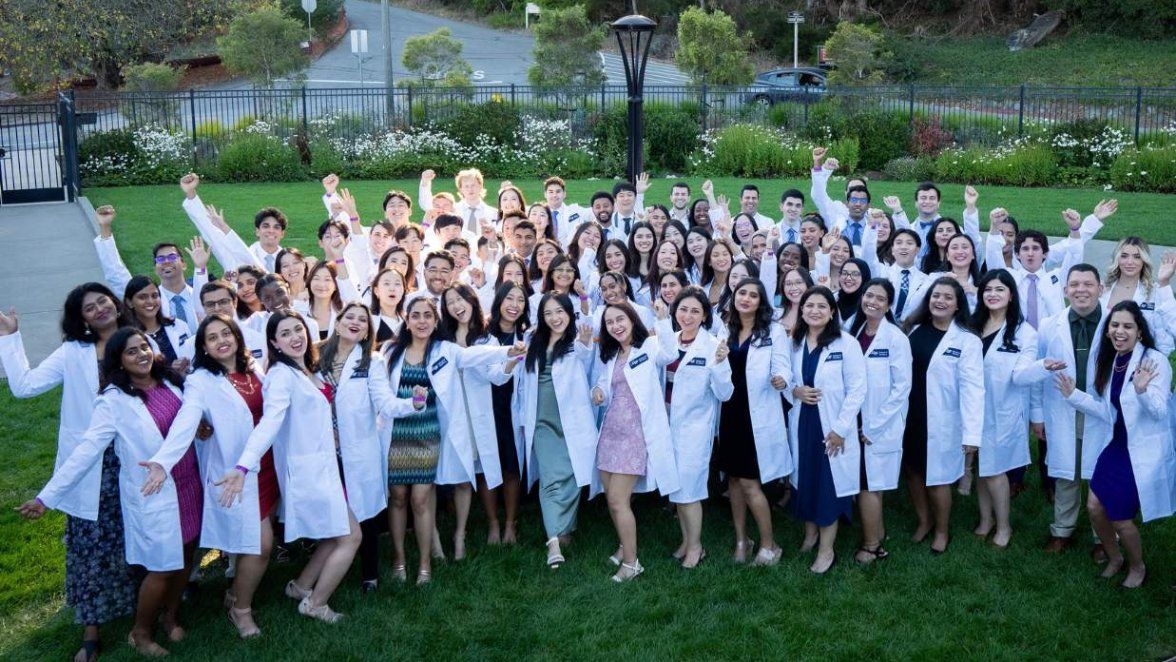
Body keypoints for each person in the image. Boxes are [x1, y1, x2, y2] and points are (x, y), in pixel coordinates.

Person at [19, 328, 198, 656]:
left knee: (186, 556)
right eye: (131, 352)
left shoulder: (170, 381)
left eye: (144, 347)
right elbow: (87, 450)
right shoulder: (113, 400)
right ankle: (141, 633)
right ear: (118, 360)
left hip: (187, 484)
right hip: (152, 492)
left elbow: (190, 420)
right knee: (161, 567)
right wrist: (47, 497)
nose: (142, 354)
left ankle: (170, 617)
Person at [0, 284, 135, 661]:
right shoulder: (74, 353)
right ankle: (91, 631)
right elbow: (25, 387)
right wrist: (10, 338)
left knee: (134, 536)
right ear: (81, 318)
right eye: (89, 308)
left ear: (114, 303)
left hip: (135, 460)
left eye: (103, 301)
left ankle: (143, 610)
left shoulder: (137, 340)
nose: (99, 309)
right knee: (90, 547)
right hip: (91, 466)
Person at [217, 311, 361, 623]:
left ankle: (301, 587)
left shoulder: (306, 368)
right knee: (350, 536)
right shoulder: (281, 375)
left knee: (335, 533)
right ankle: (316, 603)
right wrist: (243, 466)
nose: (295, 337)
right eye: (285, 334)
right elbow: (270, 422)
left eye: (298, 330)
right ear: (273, 342)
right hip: (307, 472)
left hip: (323, 466)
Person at [142, 314, 274, 638]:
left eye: (225, 333)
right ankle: (240, 609)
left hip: (266, 464)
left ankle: (235, 593)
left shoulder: (250, 367)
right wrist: (164, 461)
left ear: (237, 336)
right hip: (235, 471)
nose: (221, 341)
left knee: (252, 541)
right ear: (204, 346)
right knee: (261, 544)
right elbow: (187, 420)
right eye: (212, 338)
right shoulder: (201, 380)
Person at [384, 298, 522, 581]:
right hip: (395, 433)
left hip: (429, 433)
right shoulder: (390, 353)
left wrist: (509, 350)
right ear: (407, 321)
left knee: (420, 498)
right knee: (398, 497)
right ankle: (399, 559)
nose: (422, 321)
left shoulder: (445, 350)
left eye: (427, 316)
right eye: (416, 316)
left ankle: (425, 564)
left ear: (436, 322)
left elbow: (478, 355)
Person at [1055, 301, 1175, 589]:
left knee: (1120, 518)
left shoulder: (1153, 361)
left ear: (1140, 332)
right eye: (1115, 325)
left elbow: (1159, 411)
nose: (1120, 331)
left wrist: (1142, 390)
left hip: (1142, 450)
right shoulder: (1113, 359)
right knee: (1095, 507)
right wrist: (1074, 395)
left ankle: (1137, 566)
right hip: (1117, 446)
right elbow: (1109, 411)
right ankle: (1114, 557)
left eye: (1127, 326)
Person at [318, 303, 417, 592]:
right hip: (324, 448)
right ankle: (328, 568)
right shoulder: (316, 357)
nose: (356, 322)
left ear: (366, 332)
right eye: (350, 317)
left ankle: (369, 574)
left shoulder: (371, 361)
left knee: (366, 512)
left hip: (359, 449)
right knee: (333, 510)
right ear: (337, 323)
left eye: (362, 320)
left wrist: (413, 403)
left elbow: (385, 403)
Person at [591, 303, 680, 582]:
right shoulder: (611, 355)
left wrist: (664, 319)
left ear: (632, 320)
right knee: (612, 498)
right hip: (610, 433)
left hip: (635, 434)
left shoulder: (649, 346)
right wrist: (596, 391)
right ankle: (623, 545)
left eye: (621, 319)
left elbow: (671, 353)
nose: (616, 326)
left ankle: (631, 564)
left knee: (618, 501)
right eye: (610, 323)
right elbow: (603, 386)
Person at [1028, 264, 1109, 555]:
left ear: (1101, 289)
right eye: (1074, 285)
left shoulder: (1115, 322)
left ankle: (1103, 538)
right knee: (1067, 473)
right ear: (1065, 291)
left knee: (1102, 475)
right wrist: (1037, 414)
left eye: (1088, 284)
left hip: (1103, 412)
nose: (1081, 290)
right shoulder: (1051, 325)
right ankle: (1062, 530)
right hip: (1063, 411)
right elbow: (1039, 371)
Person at [650, 286, 733, 569]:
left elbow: (725, 393)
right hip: (666, 424)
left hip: (694, 430)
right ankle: (686, 541)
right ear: (675, 312)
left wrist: (721, 364)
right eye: (683, 309)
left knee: (689, 492)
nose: (688, 315)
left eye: (695, 311)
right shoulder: (667, 340)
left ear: (705, 316)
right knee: (677, 490)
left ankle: (696, 547)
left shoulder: (712, 347)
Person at [785, 287, 866, 574]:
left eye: (822, 306)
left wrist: (841, 429)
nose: (815, 311)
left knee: (828, 486)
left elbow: (858, 390)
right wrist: (795, 391)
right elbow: (784, 380)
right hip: (803, 423)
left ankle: (826, 549)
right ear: (802, 310)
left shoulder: (846, 344)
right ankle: (810, 534)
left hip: (831, 426)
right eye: (809, 305)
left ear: (832, 311)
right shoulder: (794, 343)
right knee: (805, 481)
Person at [902, 277, 984, 555]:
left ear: (957, 305)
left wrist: (972, 434)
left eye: (948, 297)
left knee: (937, 478)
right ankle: (924, 521)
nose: (940, 301)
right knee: (912, 470)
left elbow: (974, 389)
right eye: (936, 295)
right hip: (911, 414)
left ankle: (941, 530)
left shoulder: (967, 340)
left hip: (942, 419)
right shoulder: (914, 330)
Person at [517, 294, 599, 568]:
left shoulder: (576, 341)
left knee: (574, 475)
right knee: (552, 477)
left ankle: (565, 529)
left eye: (560, 311)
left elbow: (586, 355)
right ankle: (553, 541)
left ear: (569, 313)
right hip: (541, 420)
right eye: (548, 313)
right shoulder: (533, 341)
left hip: (572, 420)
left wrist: (586, 342)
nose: (555, 317)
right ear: (542, 316)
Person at [715, 278, 791, 566]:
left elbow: (782, 364)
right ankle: (741, 540)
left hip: (756, 413)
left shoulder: (773, 331)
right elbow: (716, 366)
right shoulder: (726, 328)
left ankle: (770, 545)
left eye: (753, 295)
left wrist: (781, 378)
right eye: (741, 293)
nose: (746, 298)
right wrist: (718, 359)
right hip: (730, 411)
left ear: (761, 302)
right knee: (733, 479)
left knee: (749, 482)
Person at [439, 284, 517, 560]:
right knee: (463, 474)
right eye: (450, 302)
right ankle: (468, 530)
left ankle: (499, 524)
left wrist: (510, 361)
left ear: (472, 300)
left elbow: (498, 377)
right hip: (452, 416)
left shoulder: (487, 338)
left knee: (487, 469)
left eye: (460, 299)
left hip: (481, 415)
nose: (456, 305)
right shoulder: (442, 338)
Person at [970, 270, 1037, 549]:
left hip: (1003, 410)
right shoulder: (971, 326)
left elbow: (1021, 375)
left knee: (995, 470)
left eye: (999, 289)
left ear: (1011, 295)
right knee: (979, 469)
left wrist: (1042, 369)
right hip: (972, 408)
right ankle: (985, 521)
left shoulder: (1025, 333)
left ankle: (1004, 527)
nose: (993, 294)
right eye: (987, 289)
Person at [848, 279, 912, 564]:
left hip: (878, 424)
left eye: (880, 298)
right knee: (870, 481)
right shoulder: (855, 328)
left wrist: (872, 427)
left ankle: (873, 546)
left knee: (869, 484)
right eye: (868, 295)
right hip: (856, 418)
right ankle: (880, 531)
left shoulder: (896, 338)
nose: (872, 301)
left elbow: (902, 388)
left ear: (888, 304)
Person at [482, 283, 530, 544]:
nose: (514, 305)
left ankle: (511, 524)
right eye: (509, 299)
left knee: (512, 467)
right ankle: (493, 523)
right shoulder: (483, 334)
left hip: (515, 406)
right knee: (489, 467)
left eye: (520, 300)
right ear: (499, 301)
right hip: (489, 406)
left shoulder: (528, 336)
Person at [121, 275, 192, 370]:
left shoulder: (178, 325)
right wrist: (171, 370)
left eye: (154, 296)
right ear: (129, 302)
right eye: (142, 297)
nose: (150, 301)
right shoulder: (127, 338)